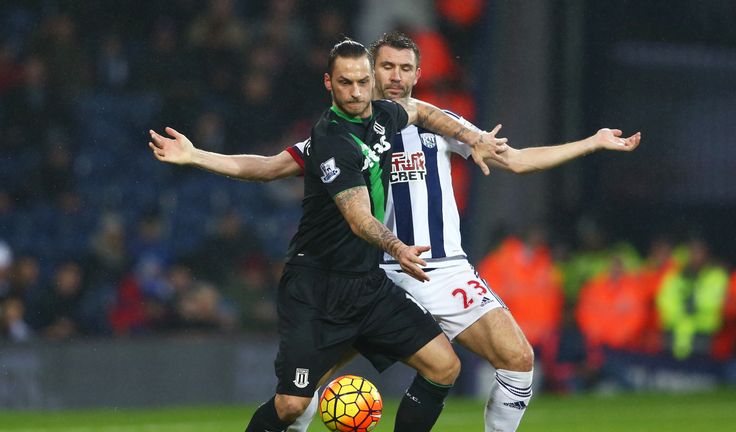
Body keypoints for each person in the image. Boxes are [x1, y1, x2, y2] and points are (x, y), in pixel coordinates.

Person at [149, 32, 640, 432]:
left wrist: (591, 143)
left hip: (440, 269)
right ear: (369, 70)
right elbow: (268, 166)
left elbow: (515, 160)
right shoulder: (341, 134)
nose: (396, 77)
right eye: (386, 68)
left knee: (516, 359)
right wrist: (197, 156)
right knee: (298, 400)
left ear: (418, 74)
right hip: (369, 272)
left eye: (406, 69)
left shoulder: (431, 122)